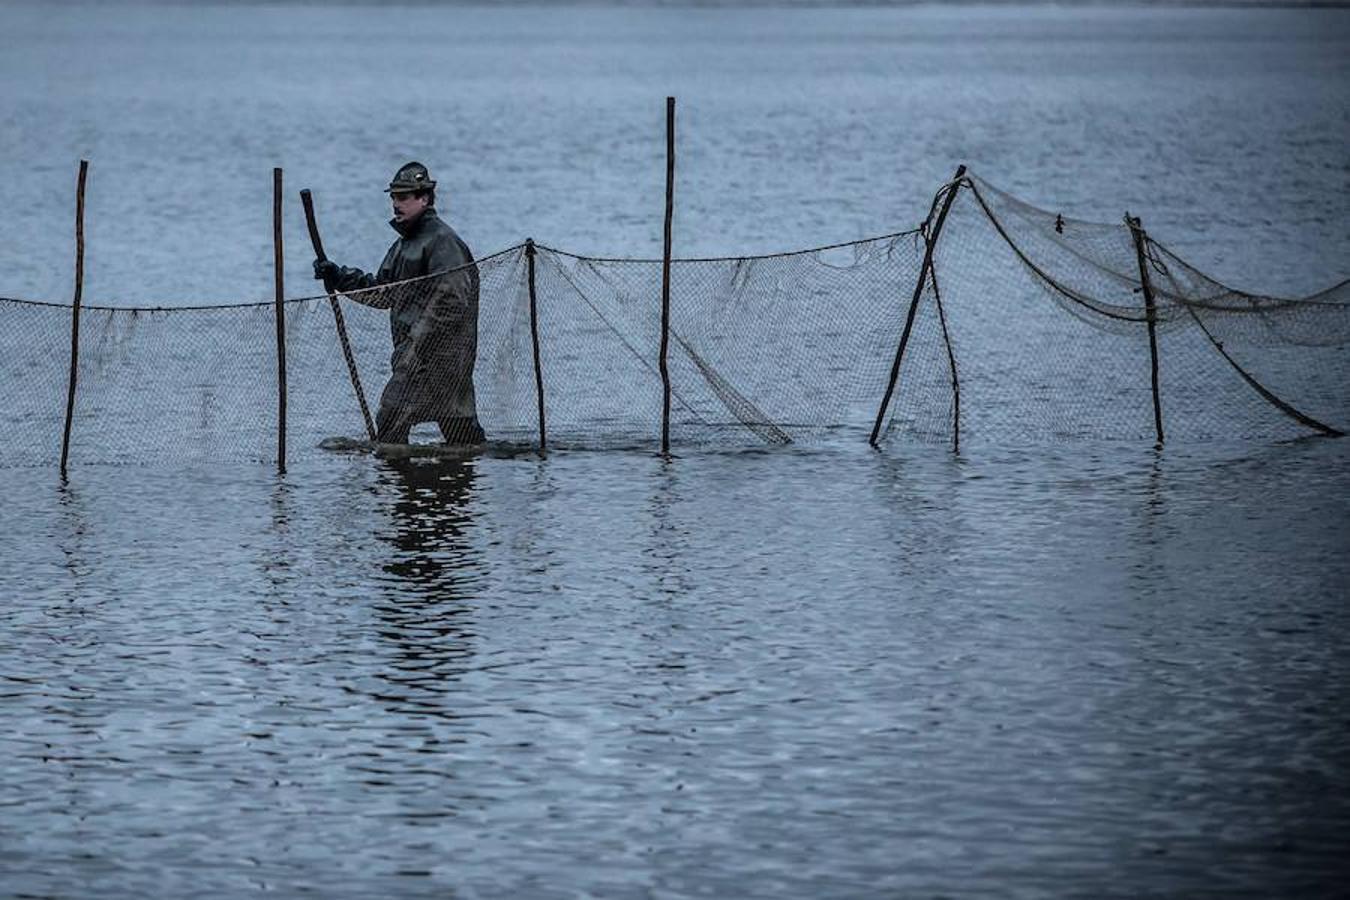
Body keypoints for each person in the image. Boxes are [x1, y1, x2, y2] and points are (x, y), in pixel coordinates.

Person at [314, 161, 485, 446]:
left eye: (404, 197)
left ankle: (402, 480)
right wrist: (339, 278)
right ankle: (445, 477)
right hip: (417, 357)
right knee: (461, 435)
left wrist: (417, 342)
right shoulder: (404, 245)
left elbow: (453, 300)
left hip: (439, 361)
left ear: (424, 198)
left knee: (392, 418)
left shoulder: (443, 241)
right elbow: (383, 292)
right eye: (393, 196)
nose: (396, 203)